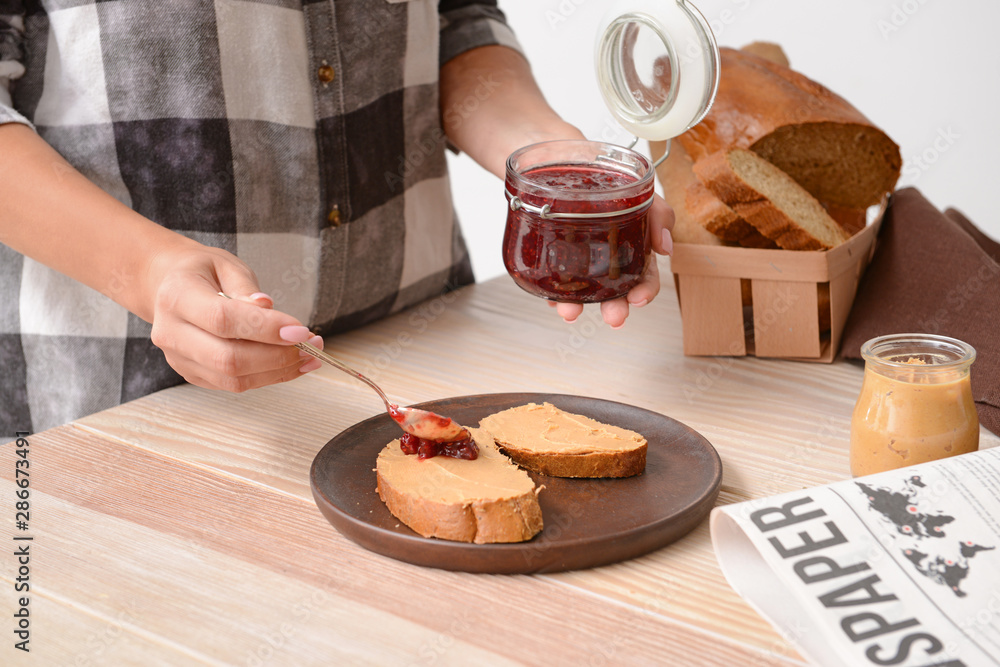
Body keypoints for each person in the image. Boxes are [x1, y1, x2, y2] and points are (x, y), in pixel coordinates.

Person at [0, 1, 673, 434]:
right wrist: (148, 271)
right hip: (122, 404)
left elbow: (456, 20)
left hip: (428, 359)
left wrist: (547, 157)